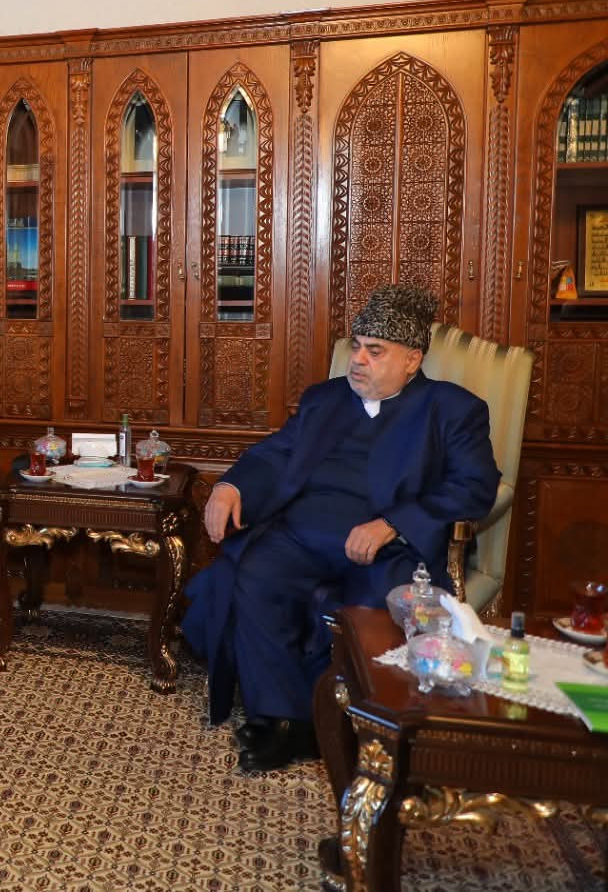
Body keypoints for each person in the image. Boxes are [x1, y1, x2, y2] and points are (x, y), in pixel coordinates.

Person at [182, 284, 499, 773]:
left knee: (375, 608)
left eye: (376, 351)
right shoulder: (324, 399)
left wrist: (392, 523)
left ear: (412, 361)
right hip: (300, 536)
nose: (358, 360)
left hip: (385, 549)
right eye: (356, 347)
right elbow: (276, 454)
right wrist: (231, 485)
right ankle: (284, 720)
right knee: (254, 574)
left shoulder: (452, 409)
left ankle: (349, 716)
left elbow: (475, 487)